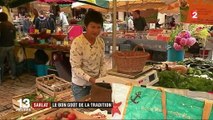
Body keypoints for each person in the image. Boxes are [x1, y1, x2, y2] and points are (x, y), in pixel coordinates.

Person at [70, 10, 106, 101]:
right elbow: (75, 67)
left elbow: (102, 62)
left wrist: (103, 78)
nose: (96, 30)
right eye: (93, 27)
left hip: (96, 84)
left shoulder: (100, 42)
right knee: (82, 112)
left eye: (99, 27)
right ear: (86, 26)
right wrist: (90, 79)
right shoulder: (77, 42)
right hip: (81, 86)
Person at [0, 12, 17, 82]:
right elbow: (14, 35)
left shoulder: (1, 25)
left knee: (1, 62)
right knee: (12, 61)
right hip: (11, 45)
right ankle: (13, 75)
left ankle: (1, 78)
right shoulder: (11, 24)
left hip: (3, 46)